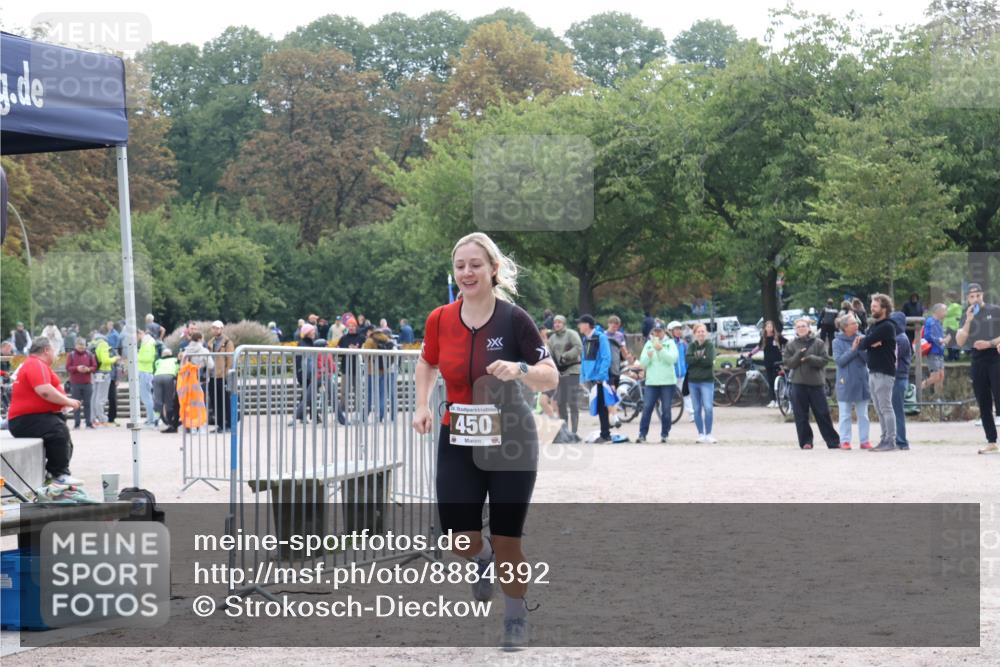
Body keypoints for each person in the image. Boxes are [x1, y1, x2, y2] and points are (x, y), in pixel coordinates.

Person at [411, 232, 558, 648]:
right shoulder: (440, 319)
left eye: (475, 264)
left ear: (493, 269)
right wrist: (421, 405)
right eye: (460, 266)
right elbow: (427, 362)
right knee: (459, 538)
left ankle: (515, 616)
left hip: (512, 440)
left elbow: (550, 376)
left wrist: (520, 369)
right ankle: (481, 557)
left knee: (509, 538)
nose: (467, 272)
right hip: (458, 435)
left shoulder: (514, 319)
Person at [6, 337, 83, 485]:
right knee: (58, 431)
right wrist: (68, 402)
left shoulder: (34, 364)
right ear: (46, 350)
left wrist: (61, 403)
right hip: (25, 419)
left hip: (29, 418)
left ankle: (56, 473)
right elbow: (44, 391)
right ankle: (58, 474)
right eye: (54, 350)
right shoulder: (36, 364)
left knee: (62, 436)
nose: (55, 354)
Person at [954, 283, 1000, 454]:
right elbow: (959, 341)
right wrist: (968, 320)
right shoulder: (967, 315)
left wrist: (989, 343)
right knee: (984, 402)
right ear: (967, 299)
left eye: (978, 295)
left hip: (996, 359)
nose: (975, 299)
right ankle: (992, 442)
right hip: (977, 361)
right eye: (972, 296)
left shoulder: (995, 310)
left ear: (983, 295)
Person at [783, 318, 840, 449]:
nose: (801, 328)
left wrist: (810, 359)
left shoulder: (818, 343)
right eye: (798, 327)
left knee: (822, 413)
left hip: (816, 384)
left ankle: (833, 441)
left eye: (803, 326)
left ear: (809, 328)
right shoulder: (791, 345)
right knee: (801, 415)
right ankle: (806, 441)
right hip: (798, 383)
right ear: (795, 329)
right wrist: (798, 355)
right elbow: (789, 364)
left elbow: (825, 360)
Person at [859, 294, 897, 452]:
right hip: (873, 371)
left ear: (884, 308)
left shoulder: (887, 326)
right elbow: (863, 344)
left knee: (886, 407)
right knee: (879, 409)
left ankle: (891, 440)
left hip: (884, 372)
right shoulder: (874, 326)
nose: (872, 309)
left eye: (875, 306)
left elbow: (865, 342)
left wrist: (869, 341)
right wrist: (869, 341)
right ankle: (884, 438)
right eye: (871, 306)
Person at [833, 314, 871, 450]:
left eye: (856, 322)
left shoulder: (863, 338)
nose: (857, 325)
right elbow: (840, 361)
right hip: (845, 382)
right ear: (845, 327)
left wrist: (861, 347)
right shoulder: (837, 342)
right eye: (853, 323)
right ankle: (845, 441)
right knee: (845, 415)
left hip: (861, 381)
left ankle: (864, 440)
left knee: (863, 415)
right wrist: (853, 349)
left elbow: (868, 359)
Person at [636, 322, 678, 444]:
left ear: (664, 331)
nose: (657, 333)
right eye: (655, 331)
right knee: (647, 408)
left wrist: (661, 350)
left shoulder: (670, 343)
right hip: (652, 382)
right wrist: (648, 356)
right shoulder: (649, 344)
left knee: (666, 409)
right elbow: (642, 363)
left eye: (660, 331)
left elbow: (672, 359)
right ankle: (642, 434)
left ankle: (665, 434)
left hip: (668, 382)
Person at [578, 314, 612, 443]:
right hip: (590, 377)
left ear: (587, 325)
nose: (579, 326)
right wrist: (582, 377)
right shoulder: (585, 339)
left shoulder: (601, 337)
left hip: (599, 378)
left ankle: (605, 435)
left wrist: (601, 376)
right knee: (598, 406)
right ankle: (604, 432)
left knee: (602, 406)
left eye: (581, 323)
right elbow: (583, 359)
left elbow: (606, 357)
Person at [547, 315, 583, 435]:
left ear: (564, 323)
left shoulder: (571, 334)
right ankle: (566, 431)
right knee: (561, 402)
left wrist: (566, 356)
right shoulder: (552, 338)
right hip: (560, 372)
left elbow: (579, 347)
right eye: (555, 322)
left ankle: (574, 431)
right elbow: (550, 353)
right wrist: (552, 365)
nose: (557, 324)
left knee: (572, 401)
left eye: (559, 322)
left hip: (572, 370)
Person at [685, 323, 717, 443]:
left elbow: (709, 361)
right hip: (693, 382)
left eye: (703, 331)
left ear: (706, 333)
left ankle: (709, 434)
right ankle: (700, 433)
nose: (701, 334)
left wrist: (696, 359)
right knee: (696, 409)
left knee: (708, 408)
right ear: (695, 334)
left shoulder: (710, 346)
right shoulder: (691, 346)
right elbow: (688, 360)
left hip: (707, 381)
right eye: (698, 331)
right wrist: (700, 357)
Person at [890, 311, 912, 451]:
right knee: (894, 410)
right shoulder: (898, 337)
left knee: (897, 411)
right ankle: (896, 439)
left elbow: (893, 358)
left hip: (899, 378)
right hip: (897, 378)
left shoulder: (901, 339)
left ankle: (902, 441)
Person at [207, 320, 235, 433]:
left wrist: (227, 373)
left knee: (225, 401)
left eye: (218, 328)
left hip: (222, 376)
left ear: (222, 329)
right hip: (212, 376)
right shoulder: (210, 342)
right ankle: (220, 424)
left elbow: (230, 360)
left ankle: (228, 424)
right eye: (214, 328)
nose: (216, 330)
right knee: (215, 402)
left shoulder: (228, 342)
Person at [752, 321, 786, 408]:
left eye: (771, 327)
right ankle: (772, 400)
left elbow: (787, 343)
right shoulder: (764, 338)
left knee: (777, 381)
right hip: (768, 362)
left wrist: (785, 352)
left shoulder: (777, 337)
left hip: (777, 362)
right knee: (770, 382)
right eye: (767, 327)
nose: (769, 328)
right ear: (765, 328)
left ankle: (779, 400)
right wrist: (751, 353)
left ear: (773, 328)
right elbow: (758, 347)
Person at [65, 337, 97, 429]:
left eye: (83, 345)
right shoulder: (71, 355)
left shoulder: (89, 354)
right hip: (75, 383)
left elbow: (94, 366)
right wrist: (77, 368)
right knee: (76, 404)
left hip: (87, 383)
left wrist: (88, 369)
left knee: (88, 403)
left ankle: (88, 423)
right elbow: (68, 367)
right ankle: (77, 423)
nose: (82, 347)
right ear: (76, 345)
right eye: (80, 345)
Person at [921, 304, 950, 399]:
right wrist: (941, 340)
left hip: (939, 352)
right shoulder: (930, 321)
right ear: (938, 311)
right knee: (935, 377)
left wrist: (945, 340)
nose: (946, 313)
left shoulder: (938, 323)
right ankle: (917, 390)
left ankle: (938, 399)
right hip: (933, 352)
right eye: (944, 310)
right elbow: (927, 336)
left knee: (941, 376)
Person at [668, 321, 694, 421]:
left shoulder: (683, 343)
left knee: (686, 394)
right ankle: (664, 413)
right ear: (670, 331)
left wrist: (688, 370)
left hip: (682, 374)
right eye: (676, 329)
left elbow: (687, 358)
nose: (679, 331)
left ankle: (692, 415)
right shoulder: (667, 343)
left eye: (679, 329)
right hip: (671, 374)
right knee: (667, 395)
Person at [91, 332, 118, 426]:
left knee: (94, 397)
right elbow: (105, 360)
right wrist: (115, 358)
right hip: (104, 372)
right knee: (101, 398)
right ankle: (102, 419)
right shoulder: (103, 344)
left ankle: (93, 418)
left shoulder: (93, 344)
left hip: (96, 373)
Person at [605, 315, 627, 428]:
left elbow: (623, 350)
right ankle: (615, 418)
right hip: (606, 369)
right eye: (612, 325)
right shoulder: (603, 336)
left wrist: (628, 357)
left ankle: (610, 419)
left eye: (616, 326)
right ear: (608, 324)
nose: (614, 327)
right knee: (611, 392)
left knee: (613, 393)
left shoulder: (620, 336)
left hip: (616, 367)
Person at [152, 348, 180, 432]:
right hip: (169, 377)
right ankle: (170, 422)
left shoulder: (158, 361)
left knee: (158, 400)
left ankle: (157, 420)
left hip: (157, 377)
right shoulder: (175, 360)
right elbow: (178, 369)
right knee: (169, 400)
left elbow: (155, 369)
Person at [137, 328, 159, 427]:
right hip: (145, 372)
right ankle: (151, 418)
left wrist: (135, 356)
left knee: (146, 397)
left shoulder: (147, 344)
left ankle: (151, 419)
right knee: (148, 397)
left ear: (140, 334)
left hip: (144, 372)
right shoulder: (147, 342)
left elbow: (148, 358)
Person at [944, 295, 963, 361]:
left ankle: (951, 357)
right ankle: (956, 357)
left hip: (951, 326)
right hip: (954, 326)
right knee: (954, 342)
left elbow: (945, 313)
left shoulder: (954, 305)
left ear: (951, 298)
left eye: (947, 298)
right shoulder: (956, 305)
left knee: (949, 342)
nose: (946, 300)